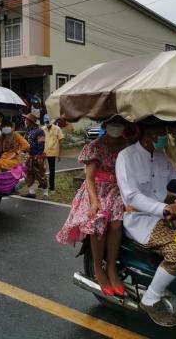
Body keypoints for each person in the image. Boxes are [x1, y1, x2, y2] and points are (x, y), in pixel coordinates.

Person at [115, 118, 176, 327]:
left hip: (167, 217)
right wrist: (163, 208)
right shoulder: (126, 157)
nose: (166, 135)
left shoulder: (161, 156)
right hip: (141, 221)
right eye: (162, 131)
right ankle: (150, 298)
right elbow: (131, 196)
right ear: (147, 133)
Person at [57, 118, 127, 296]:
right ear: (105, 124)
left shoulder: (127, 145)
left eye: (120, 123)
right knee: (98, 221)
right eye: (113, 122)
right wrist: (95, 201)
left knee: (117, 223)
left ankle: (111, 268)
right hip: (96, 189)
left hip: (119, 189)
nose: (117, 127)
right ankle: (97, 268)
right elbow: (89, 178)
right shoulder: (94, 147)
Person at [23, 113, 48, 200]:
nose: (25, 121)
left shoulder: (40, 131)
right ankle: (31, 192)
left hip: (38, 156)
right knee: (28, 174)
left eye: (26, 120)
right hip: (30, 156)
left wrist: (38, 156)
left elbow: (41, 144)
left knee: (41, 175)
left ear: (31, 121)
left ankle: (45, 194)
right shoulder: (28, 131)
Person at [43, 114, 64, 192]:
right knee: (42, 169)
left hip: (53, 152)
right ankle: (43, 184)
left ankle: (52, 186)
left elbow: (60, 141)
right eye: (46, 122)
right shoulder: (42, 129)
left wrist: (59, 154)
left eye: (48, 121)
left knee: (52, 170)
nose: (47, 123)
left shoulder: (57, 129)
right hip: (44, 152)